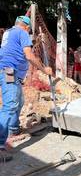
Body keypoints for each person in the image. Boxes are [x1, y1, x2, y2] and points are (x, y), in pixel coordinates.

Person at [0, 16, 52, 162]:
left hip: (7, 71)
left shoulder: (9, 32)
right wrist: (44, 69)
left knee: (19, 101)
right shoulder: (22, 33)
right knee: (10, 106)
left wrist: (35, 41)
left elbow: (18, 47)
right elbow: (28, 55)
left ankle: (13, 130)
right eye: (29, 30)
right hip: (10, 72)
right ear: (27, 27)